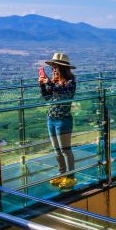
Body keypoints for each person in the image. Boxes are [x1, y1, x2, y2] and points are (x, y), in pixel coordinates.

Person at [38, 52, 77, 190]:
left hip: (63, 120)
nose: (53, 69)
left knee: (65, 150)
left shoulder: (70, 83)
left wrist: (48, 82)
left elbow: (62, 90)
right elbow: (47, 98)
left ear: (62, 68)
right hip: (51, 118)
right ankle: (62, 173)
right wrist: (42, 84)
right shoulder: (55, 82)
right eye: (53, 67)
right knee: (57, 150)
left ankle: (71, 177)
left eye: (55, 67)